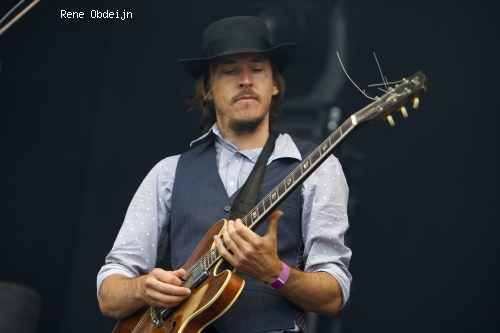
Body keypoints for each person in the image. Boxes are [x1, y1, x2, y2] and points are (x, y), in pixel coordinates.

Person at [97, 16, 352, 333]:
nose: (246, 80)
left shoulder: (318, 166)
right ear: (208, 89)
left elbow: (333, 296)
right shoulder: (168, 173)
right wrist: (140, 289)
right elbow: (109, 297)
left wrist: (275, 271)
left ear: (274, 84)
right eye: (230, 71)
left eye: (257, 68)